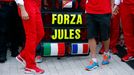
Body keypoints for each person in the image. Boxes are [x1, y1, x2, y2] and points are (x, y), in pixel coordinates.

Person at [15, 0, 45, 74]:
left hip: (35, 4)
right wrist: (22, 8)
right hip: (27, 4)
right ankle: (30, 66)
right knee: (31, 36)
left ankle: (23, 55)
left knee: (40, 33)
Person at [85, 0, 114, 71]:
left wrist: (112, 7)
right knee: (90, 35)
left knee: (105, 36)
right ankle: (94, 60)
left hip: (105, 11)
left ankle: (106, 53)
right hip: (90, 11)